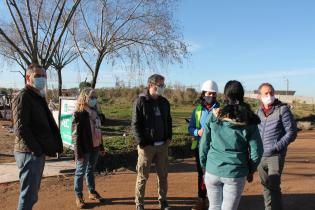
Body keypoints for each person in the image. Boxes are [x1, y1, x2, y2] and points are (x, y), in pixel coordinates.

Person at [199, 80, 263, 210]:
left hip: (212, 170)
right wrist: (250, 170)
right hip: (236, 173)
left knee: (214, 207)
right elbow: (257, 151)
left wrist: (204, 166)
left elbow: (204, 144)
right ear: (242, 95)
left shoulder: (215, 115)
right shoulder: (249, 120)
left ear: (225, 96)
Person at [12, 63, 63, 210]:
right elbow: (21, 129)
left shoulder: (37, 96)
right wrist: (37, 150)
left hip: (34, 152)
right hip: (29, 153)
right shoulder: (24, 97)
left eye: (44, 76)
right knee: (28, 196)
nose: (42, 78)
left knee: (31, 195)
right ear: (28, 77)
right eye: (38, 76)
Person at [132, 74, 172, 210]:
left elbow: (169, 120)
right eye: (159, 85)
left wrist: (169, 137)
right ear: (150, 85)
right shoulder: (140, 101)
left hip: (162, 146)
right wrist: (142, 143)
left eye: (163, 85)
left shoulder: (164, 102)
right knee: (143, 177)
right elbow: (135, 124)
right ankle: (139, 203)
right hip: (147, 147)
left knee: (163, 176)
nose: (162, 88)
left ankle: (163, 201)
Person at [256, 83, 297, 210]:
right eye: (266, 94)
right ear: (260, 96)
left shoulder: (282, 109)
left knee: (273, 187)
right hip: (260, 156)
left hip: (275, 156)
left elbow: (292, 132)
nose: (269, 96)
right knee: (265, 186)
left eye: (271, 93)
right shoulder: (258, 112)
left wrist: (277, 147)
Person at [188, 80, 219, 210]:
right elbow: (190, 128)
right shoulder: (197, 110)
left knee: (216, 174)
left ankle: (215, 200)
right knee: (202, 173)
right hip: (200, 147)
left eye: (213, 94)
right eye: (208, 93)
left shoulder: (220, 110)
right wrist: (197, 131)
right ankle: (201, 199)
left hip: (216, 148)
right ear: (203, 94)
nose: (210, 96)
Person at [72, 88, 106, 208]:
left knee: (90, 169)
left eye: (95, 97)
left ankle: (91, 191)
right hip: (85, 148)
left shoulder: (95, 112)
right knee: (80, 172)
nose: (94, 99)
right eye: (92, 97)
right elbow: (75, 136)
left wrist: (101, 146)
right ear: (84, 98)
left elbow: (99, 130)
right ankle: (79, 195)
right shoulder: (78, 114)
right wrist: (78, 153)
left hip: (95, 146)